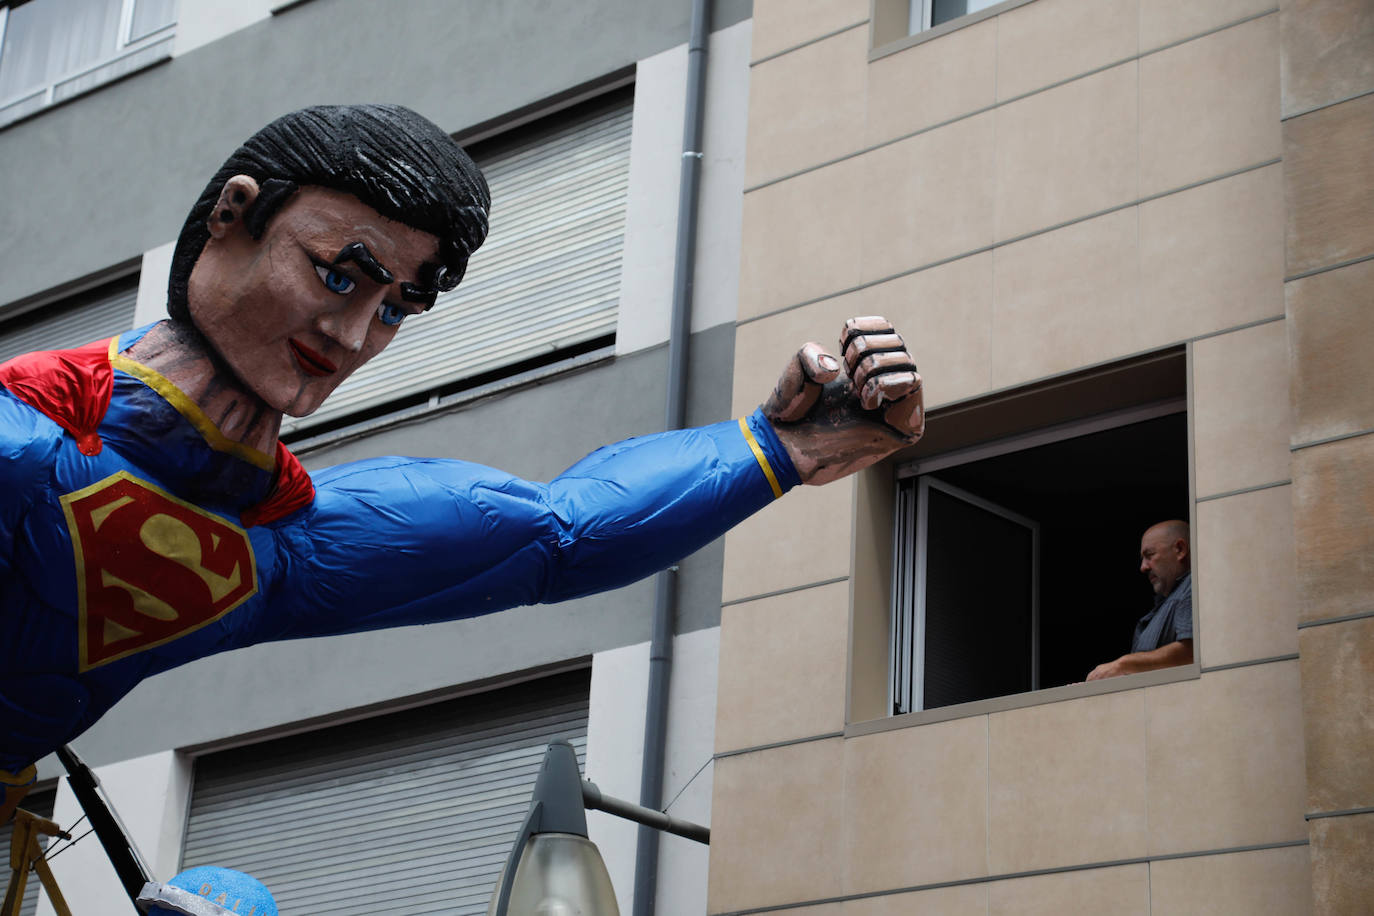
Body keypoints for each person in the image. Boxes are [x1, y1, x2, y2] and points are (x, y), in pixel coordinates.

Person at [0, 105, 925, 820]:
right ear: (233, 216)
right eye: (338, 273)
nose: (355, 334)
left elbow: (559, 533)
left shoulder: (279, 549)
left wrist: (780, 445)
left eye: (397, 307)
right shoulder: (25, 440)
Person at [1085, 519, 1194, 681]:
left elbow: (1191, 653)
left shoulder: (1194, 585)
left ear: (1180, 549)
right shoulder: (1160, 607)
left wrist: (1122, 664)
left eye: (1149, 555)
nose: (1143, 567)